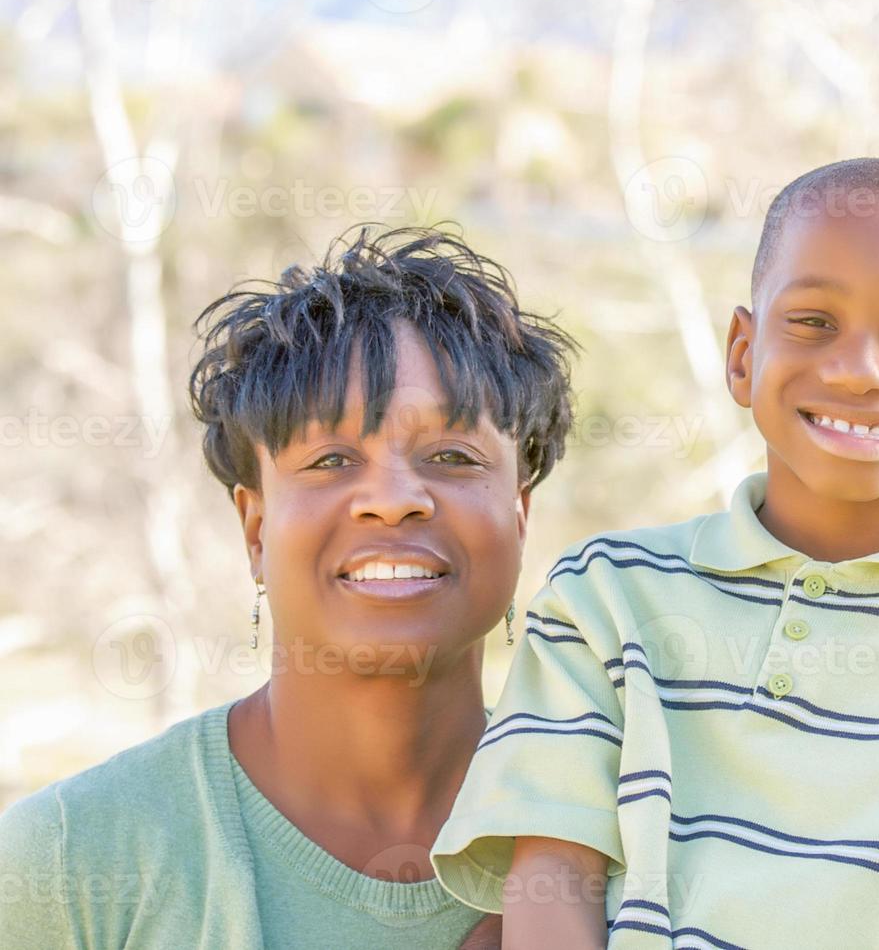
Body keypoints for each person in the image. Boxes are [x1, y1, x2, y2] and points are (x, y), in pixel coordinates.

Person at [430, 159, 879, 948]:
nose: (862, 370)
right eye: (814, 323)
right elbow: (552, 889)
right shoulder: (607, 597)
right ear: (741, 353)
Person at [0, 226, 577, 948]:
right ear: (256, 528)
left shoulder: (616, 843)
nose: (395, 499)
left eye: (452, 455)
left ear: (519, 515)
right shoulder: (67, 862)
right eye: (332, 460)